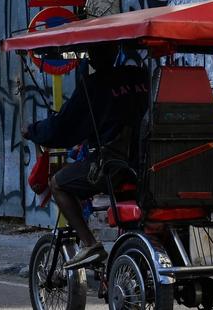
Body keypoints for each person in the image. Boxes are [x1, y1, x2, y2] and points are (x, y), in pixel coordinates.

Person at [22, 44, 149, 268]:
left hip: (114, 166)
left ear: (91, 59)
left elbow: (63, 127)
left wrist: (33, 131)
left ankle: (90, 244)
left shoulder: (94, 86)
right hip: (149, 164)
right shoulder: (141, 76)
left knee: (58, 183)